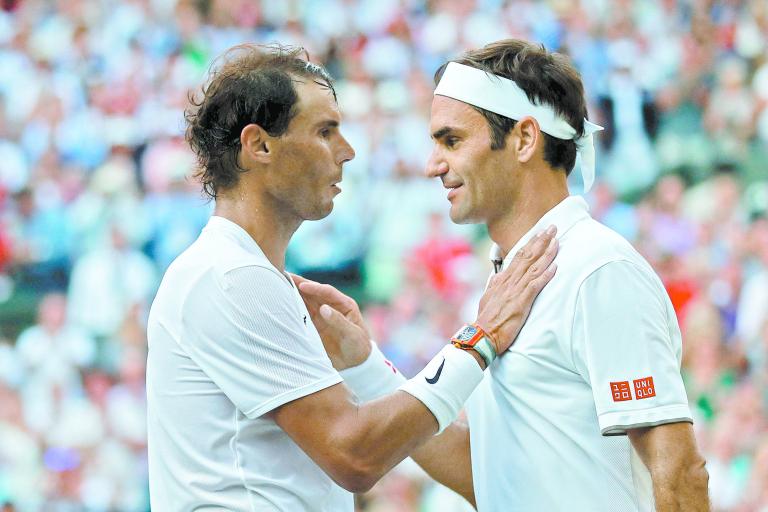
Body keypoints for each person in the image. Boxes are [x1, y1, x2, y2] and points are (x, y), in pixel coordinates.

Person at [299, 39, 711, 511]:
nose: (432, 165)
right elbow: (487, 476)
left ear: (524, 139)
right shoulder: (509, 279)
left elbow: (678, 470)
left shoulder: (599, 269)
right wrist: (365, 364)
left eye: (451, 140)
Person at [145, 43, 558, 511]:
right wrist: (480, 338)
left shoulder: (242, 273)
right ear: (258, 145)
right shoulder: (232, 276)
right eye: (326, 131)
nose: (347, 151)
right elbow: (355, 456)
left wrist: (364, 365)